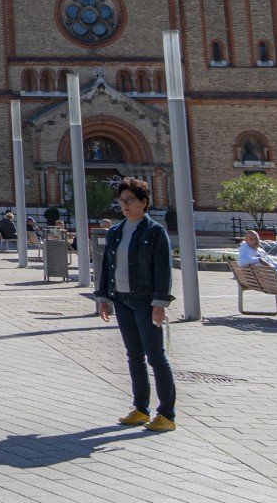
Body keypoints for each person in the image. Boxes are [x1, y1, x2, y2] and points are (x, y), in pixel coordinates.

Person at [95, 178, 177, 432]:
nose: (125, 205)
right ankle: (141, 408)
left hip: (145, 301)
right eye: (121, 201)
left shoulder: (154, 231)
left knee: (156, 357)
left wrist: (159, 303)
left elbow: (163, 270)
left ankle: (166, 414)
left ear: (144, 202)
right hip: (121, 299)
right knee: (133, 356)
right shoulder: (117, 231)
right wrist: (103, 298)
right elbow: (107, 266)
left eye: (130, 200)